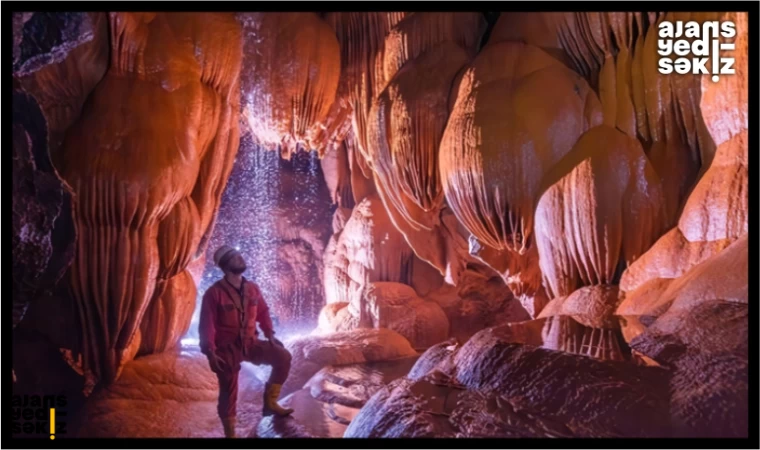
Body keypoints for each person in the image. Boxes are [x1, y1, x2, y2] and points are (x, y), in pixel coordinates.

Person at [199, 245, 294, 438]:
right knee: (228, 389)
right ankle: (230, 434)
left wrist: (269, 333)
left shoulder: (252, 288)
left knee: (283, 356)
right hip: (227, 349)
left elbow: (263, 311)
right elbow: (206, 325)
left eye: (240, 255)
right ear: (225, 266)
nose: (241, 258)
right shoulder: (214, 293)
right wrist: (210, 351)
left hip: (251, 343)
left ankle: (270, 403)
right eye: (235, 257)